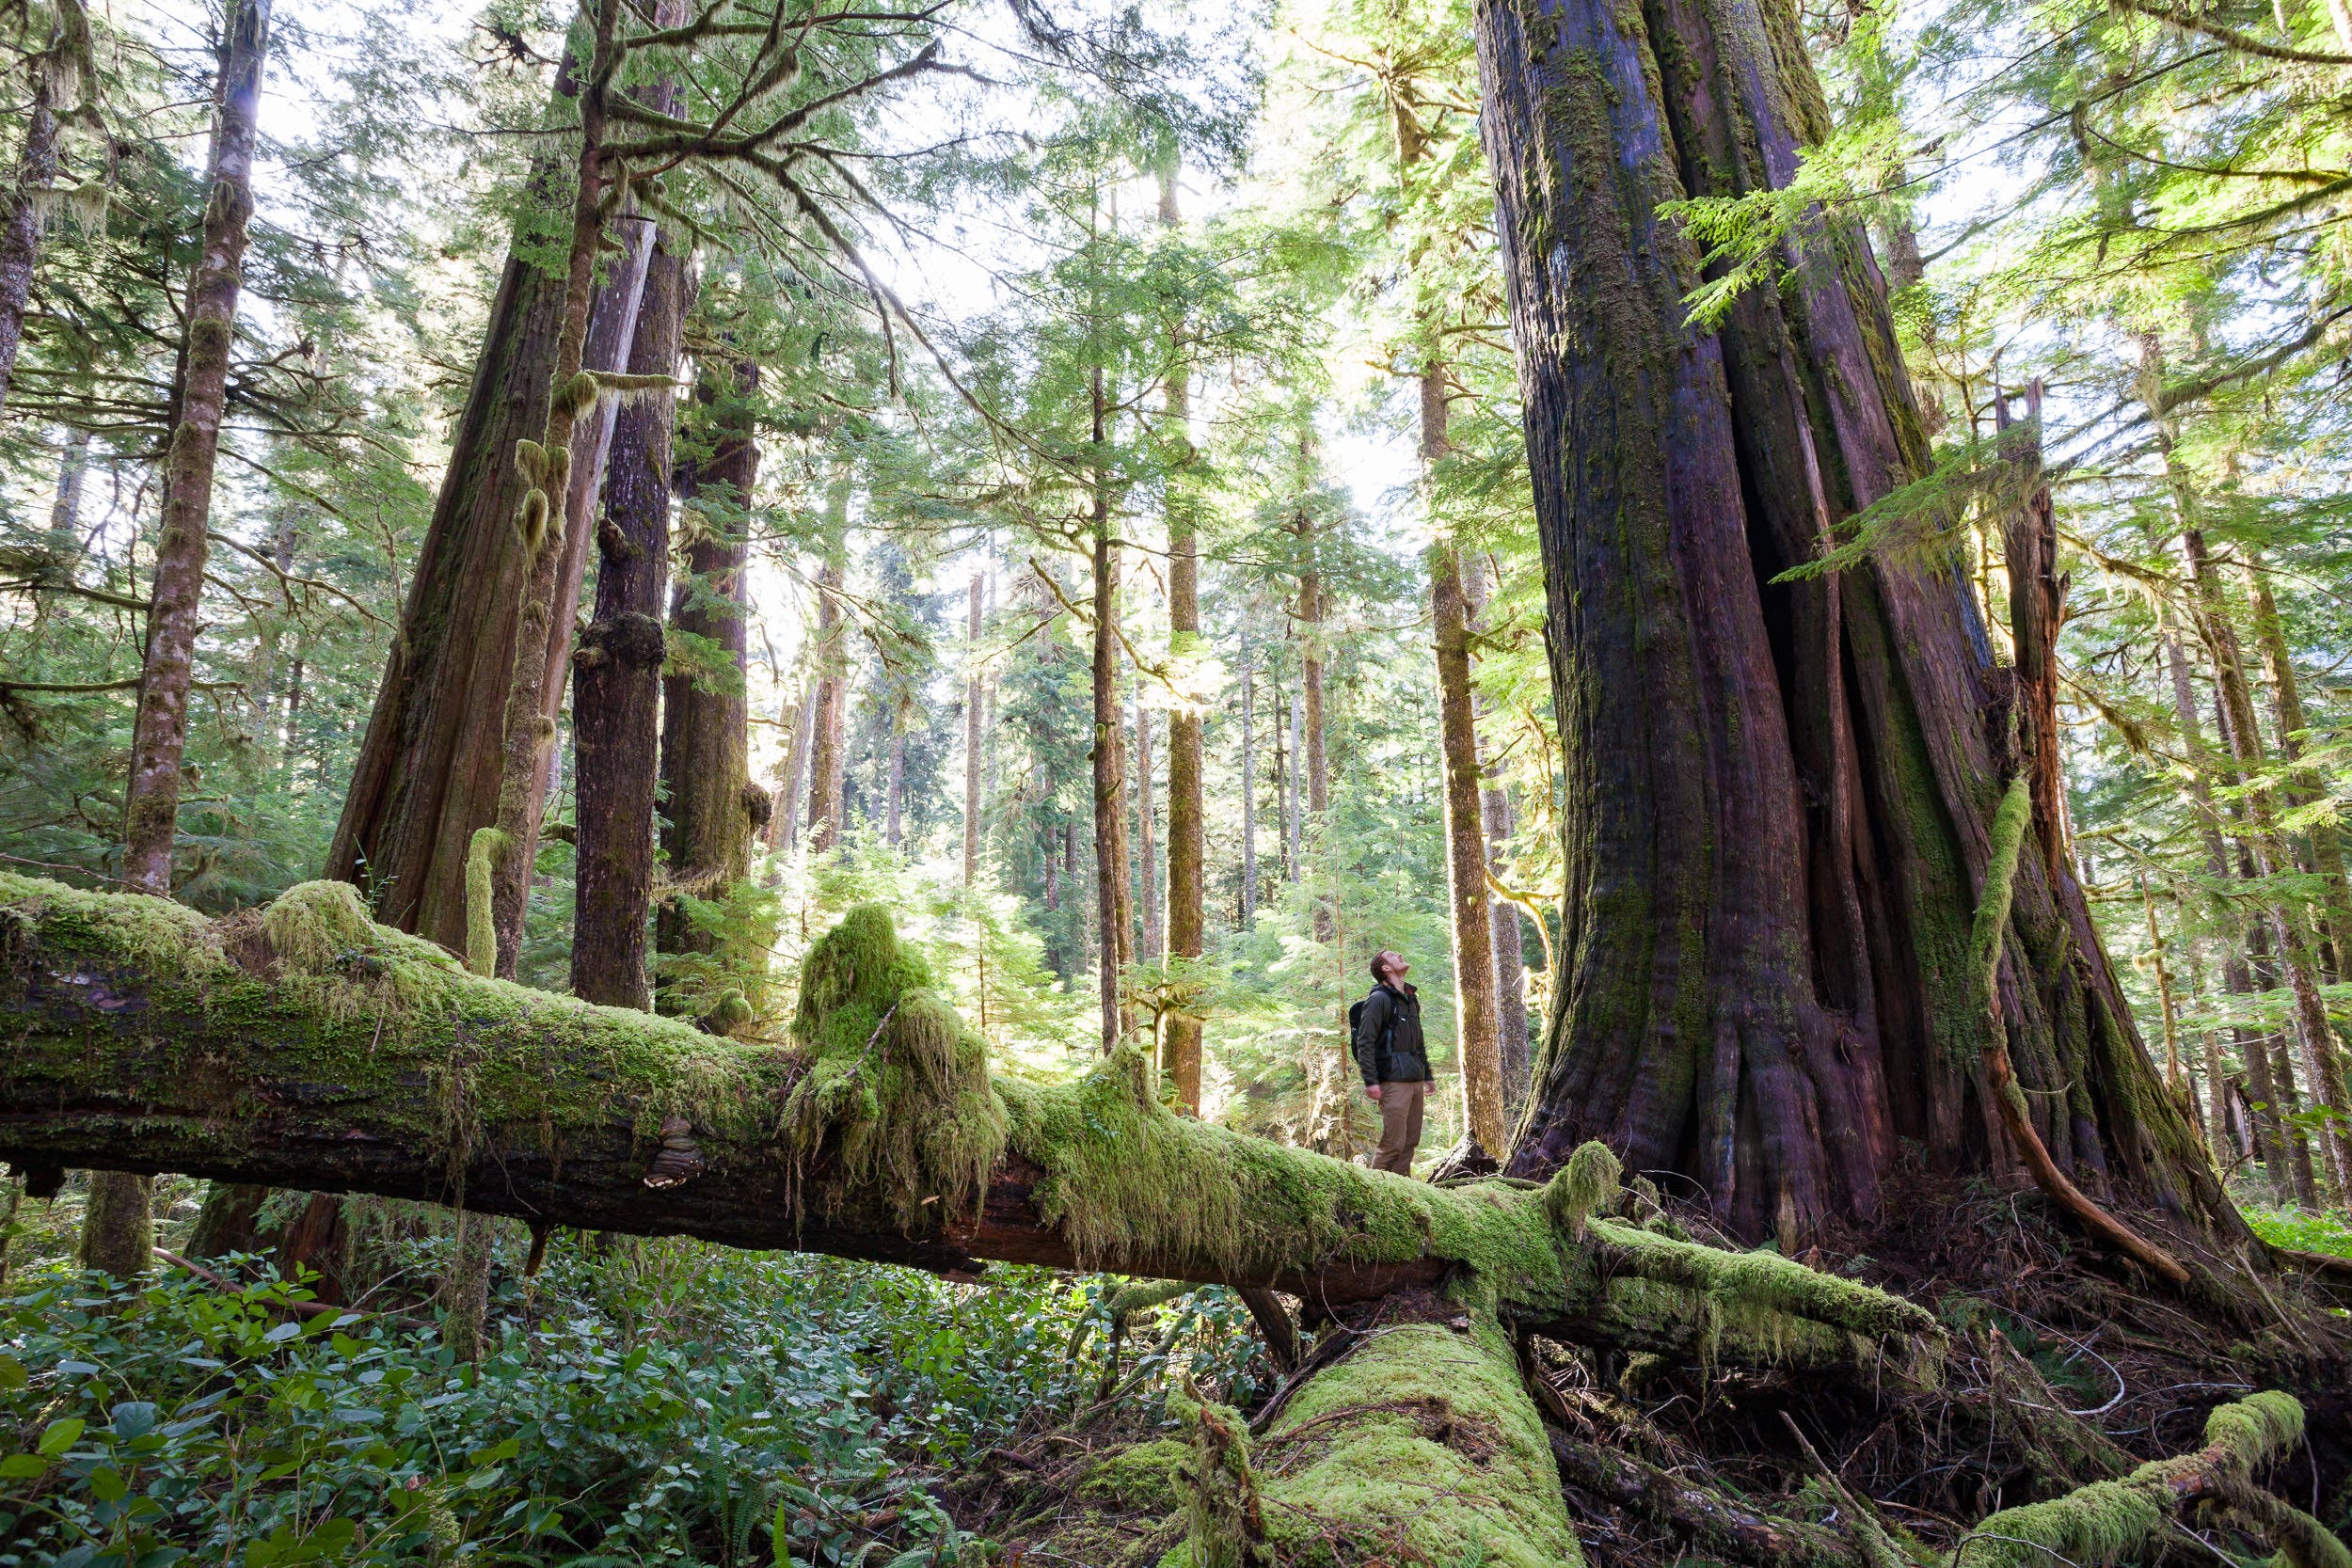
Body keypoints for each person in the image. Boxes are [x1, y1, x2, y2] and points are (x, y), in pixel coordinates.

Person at [1353, 949, 1433, 1177]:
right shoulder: (1378, 999)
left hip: (1414, 1077)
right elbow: (1365, 1041)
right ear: (1385, 969)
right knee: (1393, 1144)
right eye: (1390, 955)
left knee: (1410, 1141)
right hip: (1392, 1080)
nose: (1398, 954)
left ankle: (1403, 1193)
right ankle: (1376, 1193)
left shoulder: (1410, 999)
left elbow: (1418, 1041)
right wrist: (1371, 1080)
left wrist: (1426, 1074)